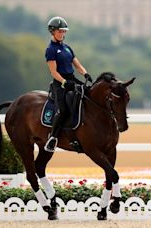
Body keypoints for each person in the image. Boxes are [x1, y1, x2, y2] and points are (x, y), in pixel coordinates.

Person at [44, 16, 92, 153]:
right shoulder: (50, 50)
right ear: (52, 32)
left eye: (64, 31)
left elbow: (77, 65)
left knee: (88, 94)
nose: (62, 34)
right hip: (60, 83)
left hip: (71, 78)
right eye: (59, 31)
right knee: (63, 110)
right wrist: (65, 82)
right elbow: (53, 72)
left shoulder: (67, 48)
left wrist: (85, 74)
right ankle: (52, 138)